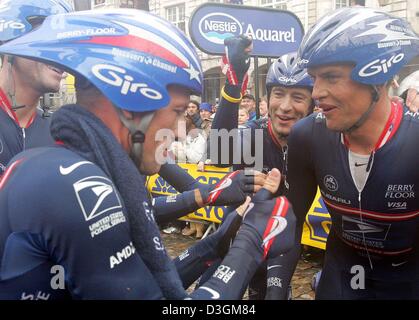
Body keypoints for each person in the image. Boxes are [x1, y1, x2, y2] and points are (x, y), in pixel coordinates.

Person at [0, 9, 296, 300]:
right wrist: (253, 241)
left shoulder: (63, 162)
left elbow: (146, 284)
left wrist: (215, 244)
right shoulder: (81, 186)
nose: (180, 131)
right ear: (132, 105)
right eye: (178, 111)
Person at [282, 6, 419, 299]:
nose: (316, 92)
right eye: (314, 78)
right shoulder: (307, 136)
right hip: (342, 277)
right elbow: (290, 225)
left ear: (378, 79)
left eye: (331, 77)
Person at [210, 36, 314, 300]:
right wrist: (233, 85)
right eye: (278, 94)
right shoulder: (254, 136)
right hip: (243, 235)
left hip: (287, 239)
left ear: (312, 105)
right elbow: (219, 153)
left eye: (298, 97)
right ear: (268, 99)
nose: (285, 106)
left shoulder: (317, 141)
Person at [0, 0, 73, 175]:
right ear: (13, 41)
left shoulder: (58, 133)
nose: (61, 55)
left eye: (65, 45)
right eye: (50, 41)